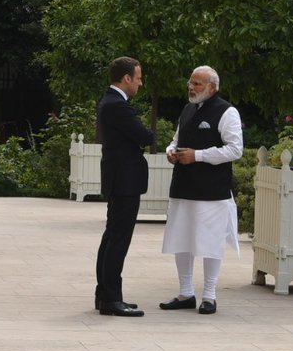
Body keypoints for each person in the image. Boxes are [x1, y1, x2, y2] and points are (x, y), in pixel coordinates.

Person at [160, 66, 243, 315]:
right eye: (191, 82)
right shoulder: (187, 109)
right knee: (181, 240)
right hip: (183, 187)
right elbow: (176, 140)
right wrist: (170, 152)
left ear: (212, 87)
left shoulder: (227, 112)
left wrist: (198, 156)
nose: (191, 87)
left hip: (212, 191)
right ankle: (186, 293)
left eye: (197, 84)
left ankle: (209, 295)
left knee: (210, 242)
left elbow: (235, 150)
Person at [94, 56, 155, 317]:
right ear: (126, 78)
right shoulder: (117, 105)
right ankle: (111, 299)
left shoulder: (113, 102)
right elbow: (145, 136)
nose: (140, 84)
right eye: (138, 78)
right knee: (118, 239)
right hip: (124, 180)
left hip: (120, 179)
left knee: (112, 237)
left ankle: (105, 295)